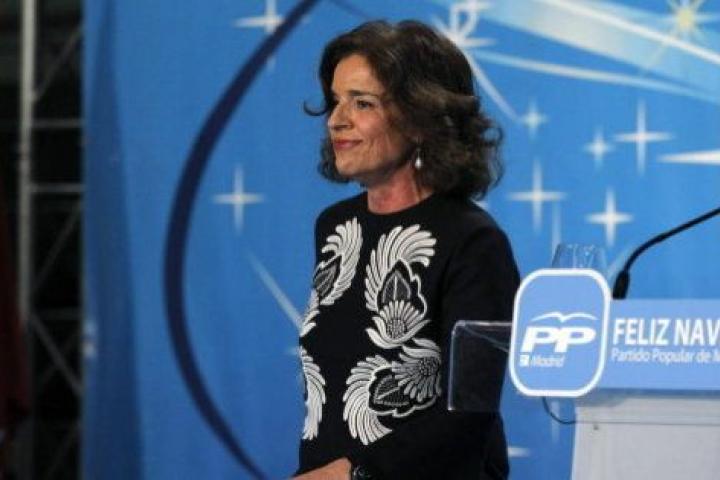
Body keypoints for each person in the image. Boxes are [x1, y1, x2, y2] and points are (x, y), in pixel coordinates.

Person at [293, 20, 519, 480]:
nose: (336, 119)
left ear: (420, 118)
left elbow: (469, 410)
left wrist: (354, 473)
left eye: (362, 103)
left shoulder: (474, 242)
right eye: (336, 101)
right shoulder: (335, 227)